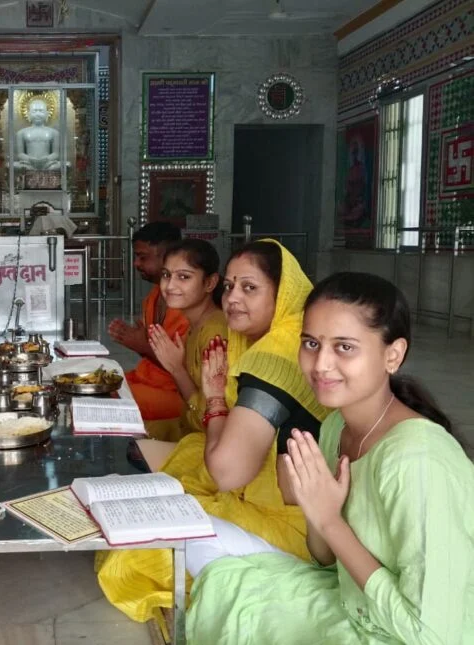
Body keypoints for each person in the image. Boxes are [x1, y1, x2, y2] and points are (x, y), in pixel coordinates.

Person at [185, 272, 474, 644]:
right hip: (351, 601)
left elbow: (432, 634)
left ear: (393, 355)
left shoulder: (417, 460)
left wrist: (329, 520)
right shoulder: (337, 426)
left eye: (344, 347)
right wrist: (315, 507)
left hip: (404, 635)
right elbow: (325, 560)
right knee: (198, 547)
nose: (320, 364)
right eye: (311, 343)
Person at [97, 239, 329, 622]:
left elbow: (226, 472)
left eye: (250, 288)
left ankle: (261, 584)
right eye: (231, 287)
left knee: (135, 548)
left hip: (292, 529)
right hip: (262, 500)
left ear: (283, 293)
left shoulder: (274, 355)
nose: (233, 298)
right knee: (139, 514)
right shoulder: (263, 340)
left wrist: (216, 397)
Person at [144, 238, 228, 441]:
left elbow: (210, 420)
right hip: (185, 425)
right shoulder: (195, 325)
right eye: (166, 275)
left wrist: (177, 369)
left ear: (210, 283)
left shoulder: (214, 333)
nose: (170, 286)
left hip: (205, 441)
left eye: (184, 277)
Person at [109, 221, 187, 420]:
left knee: (107, 399)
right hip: (148, 380)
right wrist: (140, 344)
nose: (136, 264)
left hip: (178, 394)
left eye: (142, 257)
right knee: (98, 385)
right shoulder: (152, 298)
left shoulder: (189, 305)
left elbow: (189, 373)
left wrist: (144, 347)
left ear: (168, 257)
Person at [14, 97, 61, 171]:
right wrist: (30, 159)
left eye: (41, 111)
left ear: (47, 113)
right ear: (28, 114)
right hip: (28, 164)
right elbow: (20, 154)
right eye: (34, 111)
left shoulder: (54, 132)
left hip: (48, 164)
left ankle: (39, 169)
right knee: (12, 165)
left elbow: (56, 154)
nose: (38, 114)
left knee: (65, 164)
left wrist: (46, 159)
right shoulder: (21, 132)